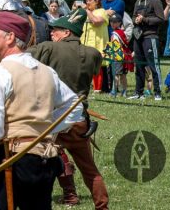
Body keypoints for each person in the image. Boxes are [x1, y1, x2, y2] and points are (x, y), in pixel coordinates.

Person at [0, 11, 83, 210]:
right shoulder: (47, 71)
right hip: (44, 159)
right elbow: (75, 107)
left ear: (10, 37)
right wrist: (45, 129)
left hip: (10, 158)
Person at [28, 11, 110, 208]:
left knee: (41, 162)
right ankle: (101, 205)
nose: (52, 34)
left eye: (55, 30)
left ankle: (69, 195)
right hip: (79, 119)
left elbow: (20, 58)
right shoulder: (93, 53)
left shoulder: (48, 48)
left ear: (66, 33)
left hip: (53, 118)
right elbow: (96, 69)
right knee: (89, 169)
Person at [129, 0, 165, 101]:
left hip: (150, 36)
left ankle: (158, 92)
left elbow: (161, 18)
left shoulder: (155, 1)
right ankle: (138, 92)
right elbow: (133, 17)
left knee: (153, 65)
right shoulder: (138, 2)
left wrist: (144, 19)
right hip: (138, 37)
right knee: (138, 65)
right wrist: (136, 20)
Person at [81, 0, 110, 92]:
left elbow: (96, 22)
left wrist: (86, 10)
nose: (87, 3)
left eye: (90, 0)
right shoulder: (85, 12)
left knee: (99, 66)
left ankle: (100, 88)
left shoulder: (102, 11)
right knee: (86, 66)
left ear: (96, 1)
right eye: (86, 1)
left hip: (98, 43)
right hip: (85, 43)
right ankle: (88, 87)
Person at [106, 16, 132, 97]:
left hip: (117, 55)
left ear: (119, 23)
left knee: (116, 74)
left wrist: (108, 53)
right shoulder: (121, 32)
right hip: (124, 55)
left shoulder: (115, 33)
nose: (112, 23)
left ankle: (114, 92)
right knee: (123, 75)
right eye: (111, 22)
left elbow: (115, 45)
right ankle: (124, 91)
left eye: (115, 22)